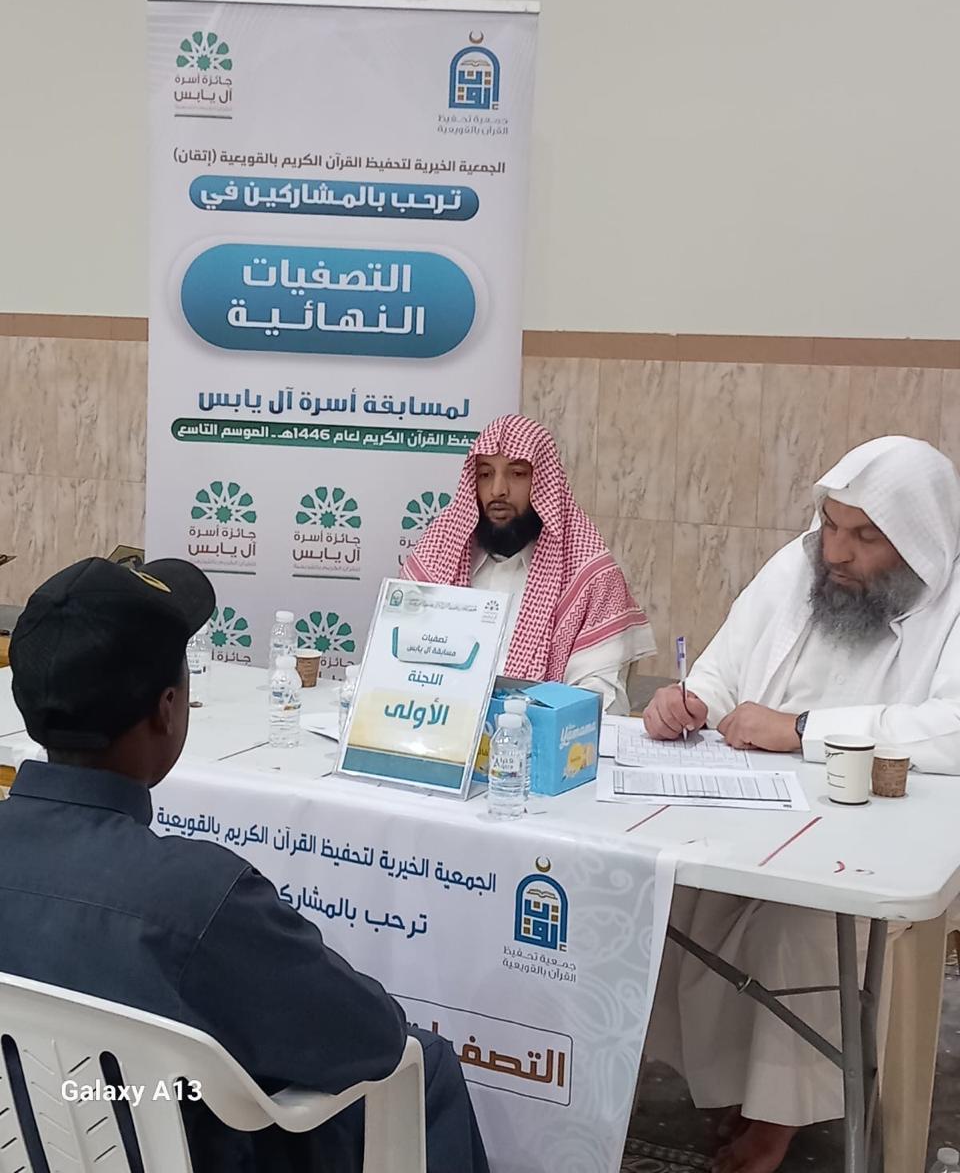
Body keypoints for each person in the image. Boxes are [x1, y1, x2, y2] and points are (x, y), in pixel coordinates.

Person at [1, 556, 488, 1173]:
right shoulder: (197, 899)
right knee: (426, 1065)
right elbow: (373, 1041)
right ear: (167, 708)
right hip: (175, 1145)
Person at [642, 435, 960, 1173]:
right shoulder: (803, 563)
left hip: (873, 834)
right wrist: (691, 701)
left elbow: (952, 729)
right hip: (751, 812)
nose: (837, 553)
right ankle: (724, 1081)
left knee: (795, 925)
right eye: (832, 525)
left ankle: (776, 1118)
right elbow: (723, 667)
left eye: (865, 537)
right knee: (662, 892)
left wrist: (803, 730)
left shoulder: (951, 602)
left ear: (916, 544)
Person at [402, 414, 656, 712]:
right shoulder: (437, 560)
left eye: (517, 473)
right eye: (485, 474)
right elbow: (397, 665)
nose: (498, 490)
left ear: (544, 482)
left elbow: (595, 699)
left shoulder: (590, 577)